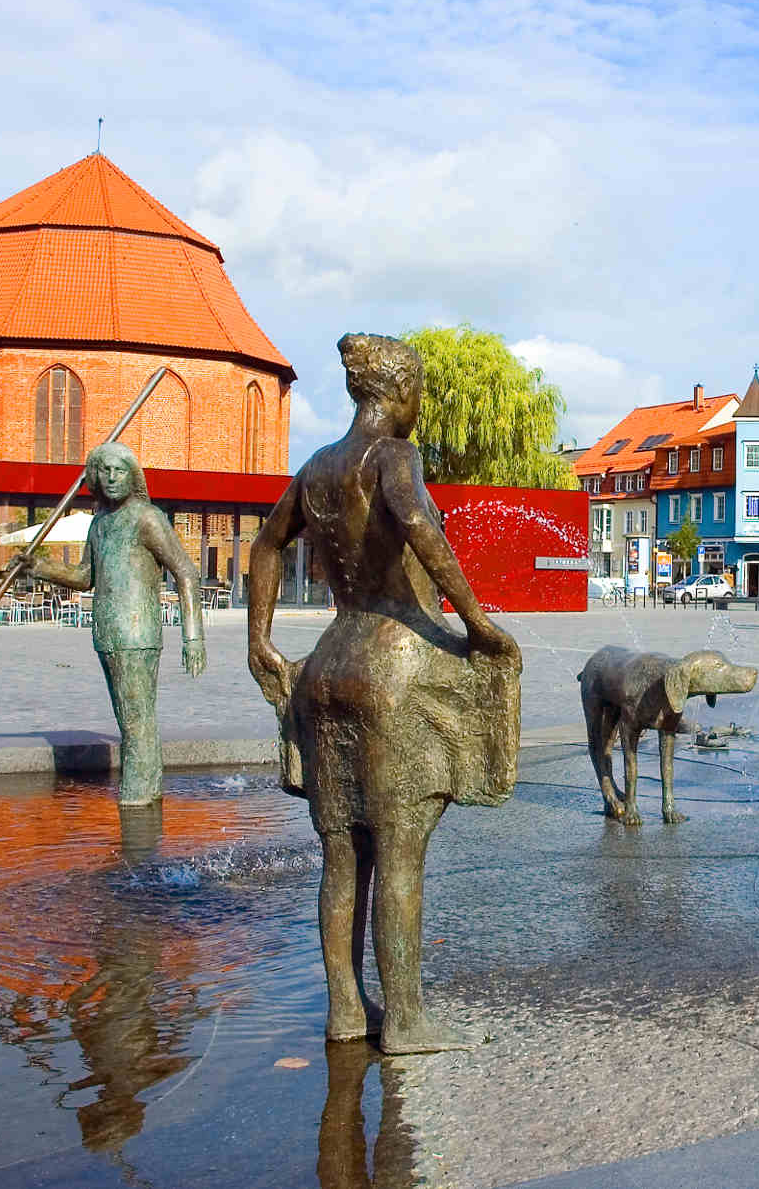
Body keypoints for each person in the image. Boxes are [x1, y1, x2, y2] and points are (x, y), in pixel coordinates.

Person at [247, 333, 522, 1055]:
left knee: (343, 857)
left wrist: (261, 639)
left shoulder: (316, 467)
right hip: (392, 664)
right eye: (419, 392)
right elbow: (418, 522)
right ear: (399, 394)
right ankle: (404, 1019)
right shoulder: (391, 457)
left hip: (329, 663)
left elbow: (264, 546)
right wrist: (476, 620)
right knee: (399, 855)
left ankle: (345, 1011)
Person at [8, 442, 205, 806]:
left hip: (136, 632)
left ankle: (137, 796)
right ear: (94, 478)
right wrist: (40, 567)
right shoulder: (99, 523)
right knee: (127, 719)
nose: (112, 478)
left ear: (133, 476)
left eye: (119, 470)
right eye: (104, 471)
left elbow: (186, 573)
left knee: (137, 721)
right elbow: (86, 577)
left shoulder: (148, 518)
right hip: (107, 633)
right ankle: (144, 791)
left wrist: (193, 639)